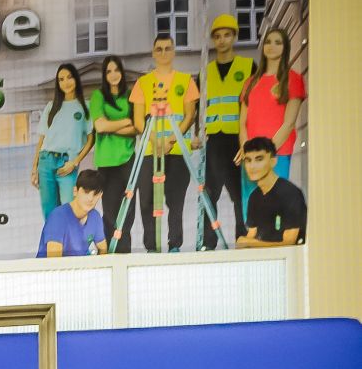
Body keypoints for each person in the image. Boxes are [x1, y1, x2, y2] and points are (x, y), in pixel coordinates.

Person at [130, 33, 200, 253]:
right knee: (147, 201)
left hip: (177, 150)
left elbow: (189, 115)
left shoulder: (186, 81)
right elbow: (138, 120)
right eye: (159, 49)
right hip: (149, 151)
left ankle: (174, 245)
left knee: (175, 201)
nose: (163, 53)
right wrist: (156, 140)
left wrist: (169, 140)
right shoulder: (142, 83)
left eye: (167, 48)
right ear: (153, 52)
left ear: (174, 51)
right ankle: (151, 246)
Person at [237, 26, 305, 221]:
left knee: (275, 202)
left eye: (277, 42)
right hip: (251, 156)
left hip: (277, 153)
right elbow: (243, 123)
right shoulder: (250, 82)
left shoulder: (293, 79)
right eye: (268, 42)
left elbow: (289, 123)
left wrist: (266, 154)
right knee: (250, 203)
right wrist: (247, 150)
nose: (271, 46)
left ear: (285, 48)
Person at [200, 15, 253, 250]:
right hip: (213, 141)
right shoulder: (205, 71)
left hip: (238, 139)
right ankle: (207, 242)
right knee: (209, 194)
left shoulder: (248, 67)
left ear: (234, 37)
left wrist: (248, 141)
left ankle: (242, 237)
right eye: (218, 36)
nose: (222, 40)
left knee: (239, 193)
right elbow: (200, 108)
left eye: (227, 35)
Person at [88, 55, 139, 252]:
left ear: (122, 72)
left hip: (127, 158)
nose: (113, 74)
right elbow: (100, 126)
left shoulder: (130, 95)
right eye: (109, 71)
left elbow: (136, 128)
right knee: (109, 211)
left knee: (128, 210)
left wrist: (112, 127)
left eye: (116, 70)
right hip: (106, 162)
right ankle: (110, 251)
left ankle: (124, 251)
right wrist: (125, 121)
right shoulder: (98, 96)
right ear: (104, 75)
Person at [30, 63, 94, 219]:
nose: (66, 82)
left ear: (76, 79)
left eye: (69, 77)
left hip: (67, 163)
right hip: (46, 162)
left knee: (69, 210)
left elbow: (91, 139)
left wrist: (75, 162)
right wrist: (34, 168)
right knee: (49, 213)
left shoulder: (85, 106)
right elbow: (42, 139)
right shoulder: (51, 107)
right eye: (61, 79)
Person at [235, 136, 306, 247]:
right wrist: (245, 242)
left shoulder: (290, 193)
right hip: (263, 256)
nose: (252, 166)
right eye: (248, 160)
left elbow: (289, 243)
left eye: (259, 159)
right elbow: (251, 235)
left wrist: (248, 242)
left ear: (273, 161)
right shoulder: (254, 197)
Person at [35, 169, 108, 258]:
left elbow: (103, 249)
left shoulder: (95, 216)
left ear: (100, 195)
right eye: (86, 192)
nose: (90, 198)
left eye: (95, 194)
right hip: (51, 267)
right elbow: (54, 262)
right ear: (75, 191)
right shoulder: (58, 217)